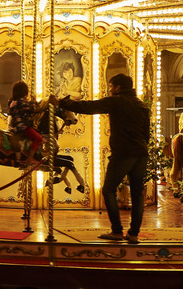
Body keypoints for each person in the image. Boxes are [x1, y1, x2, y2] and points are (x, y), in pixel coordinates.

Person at [54, 73, 149, 244]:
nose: (110, 89)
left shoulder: (117, 101)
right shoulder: (141, 105)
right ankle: (134, 233)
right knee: (137, 194)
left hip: (124, 152)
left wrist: (61, 103)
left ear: (118, 87)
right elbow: (146, 134)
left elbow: (88, 107)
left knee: (108, 189)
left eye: (111, 86)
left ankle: (117, 231)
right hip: (141, 153)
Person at [7, 81, 44, 162]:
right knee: (38, 138)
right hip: (23, 127)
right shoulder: (22, 102)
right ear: (24, 91)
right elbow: (35, 109)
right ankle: (30, 158)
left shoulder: (12, 102)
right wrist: (34, 101)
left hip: (14, 126)